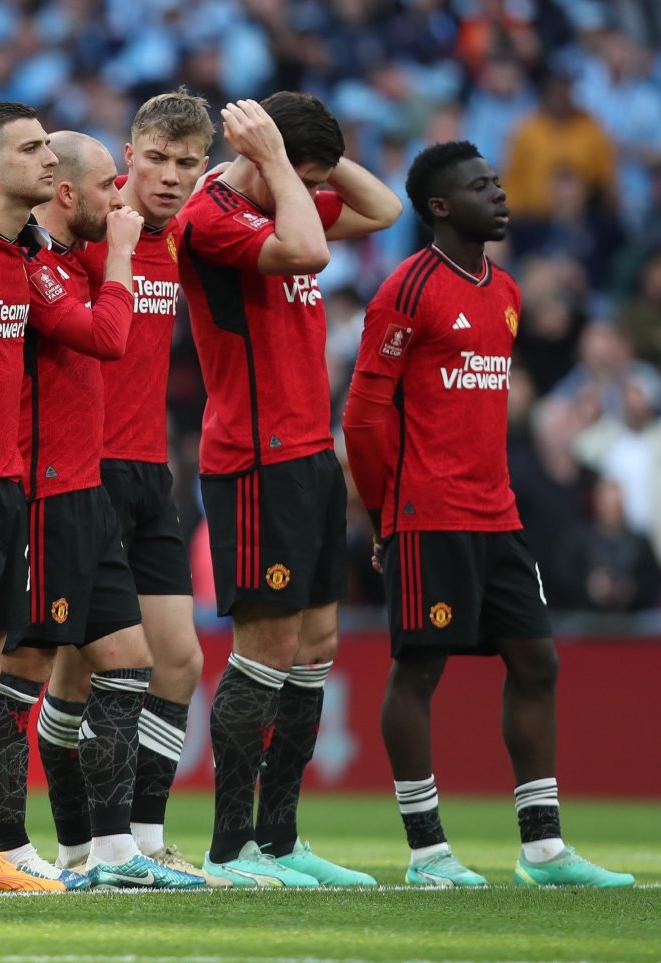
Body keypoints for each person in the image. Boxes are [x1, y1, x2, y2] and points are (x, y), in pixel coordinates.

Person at [342, 139, 635, 889]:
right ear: (441, 207)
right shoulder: (407, 290)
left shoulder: (504, 292)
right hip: (427, 512)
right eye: (482, 186)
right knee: (419, 669)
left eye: (498, 182)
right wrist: (383, 516)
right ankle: (427, 850)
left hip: (496, 514)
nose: (501, 195)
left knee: (538, 661)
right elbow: (365, 415)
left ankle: (542, 849)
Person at [0, 102, 135, 892]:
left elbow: (99, 337)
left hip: (6, 483)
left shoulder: (27, 256)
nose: (47, 158)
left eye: (49, 146)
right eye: (32, 147)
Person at [181, 93, 398, 888]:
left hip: (309, 455)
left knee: (315, 649)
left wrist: (298, 153)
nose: (308, 189)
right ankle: (228, 846)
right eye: (294, 174)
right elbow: (307, 252)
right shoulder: (214, 214)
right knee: (265, 649)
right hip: (252, 457)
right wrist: (278, 162)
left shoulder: (285, 192)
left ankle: (280, 838)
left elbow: (383, 206)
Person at [0, 130, 203, 890]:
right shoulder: (43, 261)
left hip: (93, 487)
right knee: (26, 666)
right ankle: (2, 848)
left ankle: (113, 852)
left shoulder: (115, 245)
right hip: (44, 489)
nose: (126, 201)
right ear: (72, 194)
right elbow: (105, 335)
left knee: (130, 662)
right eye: (114, 186)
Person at [33, 88, 225, 886]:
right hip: (87, 470)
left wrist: (275, 154)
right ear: (130, 156)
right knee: (85, 672)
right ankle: (81, 843)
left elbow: (326, 231)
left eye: (189, 164)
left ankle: (143, 837)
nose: (172, 177)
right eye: (158, 160)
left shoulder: (184, 236)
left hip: (153, 471)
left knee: (176, 661)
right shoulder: (85, 238)